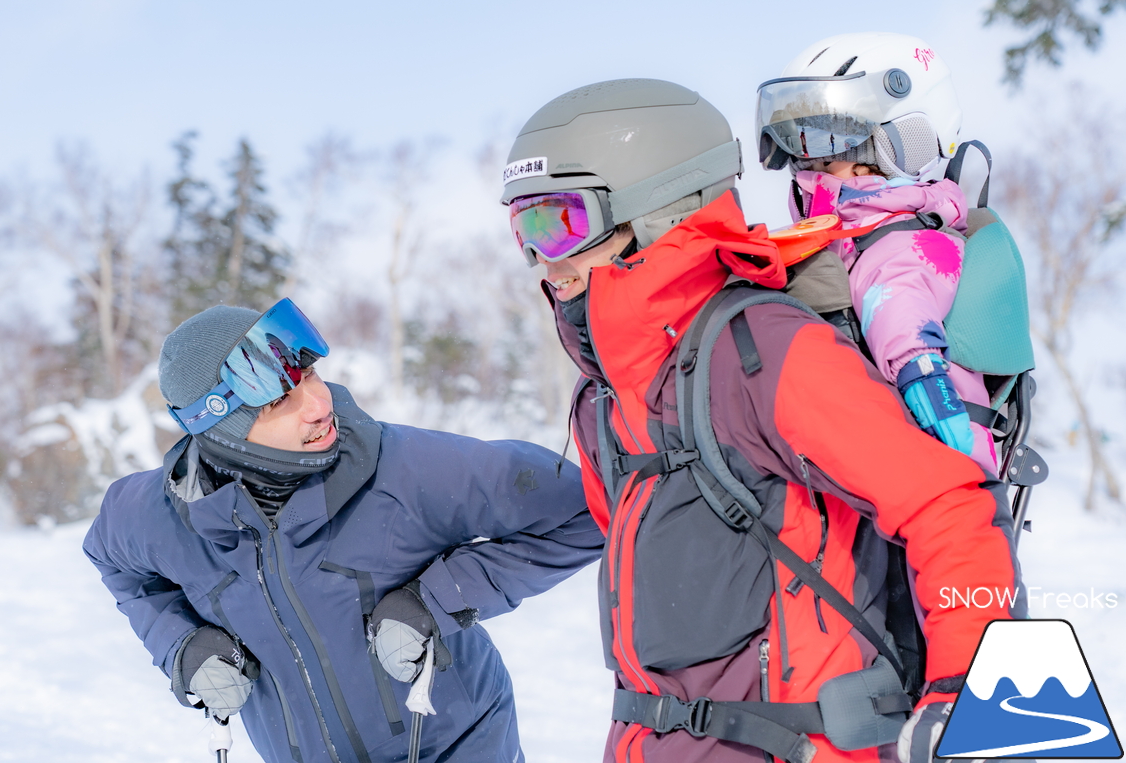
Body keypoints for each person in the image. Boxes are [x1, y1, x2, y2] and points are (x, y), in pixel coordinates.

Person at [499, 79, 1025, 763]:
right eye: (524, 231)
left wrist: (964, 689)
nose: (543, 258)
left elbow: (948, 503)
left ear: (650, 209)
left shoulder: (761, 348)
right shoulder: (602, 397)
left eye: (557, 222)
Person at [83, 299, 602, 763]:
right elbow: (114, 562)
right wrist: (181, 645)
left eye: (308, 375)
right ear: (220, 428)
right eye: (277, 401)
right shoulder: (155, 516)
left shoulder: (401, 470)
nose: (319, 402)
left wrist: (437, 599)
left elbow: (585, 510)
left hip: (458, 743)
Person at [756, 31, 996, 475]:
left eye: (830, 143)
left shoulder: (899, 247)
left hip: (926, 467)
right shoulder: (855, 234)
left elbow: (905, 334)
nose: (809, 162)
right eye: (801, 144)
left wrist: (963, 470)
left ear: (898, 141)